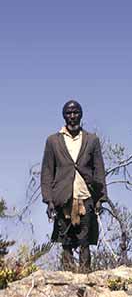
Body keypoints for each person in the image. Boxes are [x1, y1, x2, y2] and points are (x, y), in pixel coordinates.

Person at [41, 100, 107, 272]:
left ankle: (86, 277)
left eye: (75, 112)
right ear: (64, 115)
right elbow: (47, 171)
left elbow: (99, 169)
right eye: (69, 113)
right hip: (63, 197)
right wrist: (48, 200)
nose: (72, 116)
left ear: (81, 114)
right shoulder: (53, 141)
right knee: (66, 240)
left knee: (85, 240)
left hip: (86, 195)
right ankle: (68, 279)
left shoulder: (91, 140)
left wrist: (101, 198)